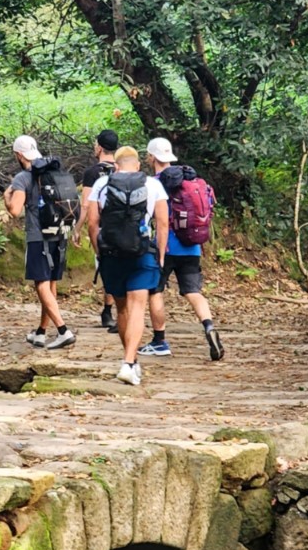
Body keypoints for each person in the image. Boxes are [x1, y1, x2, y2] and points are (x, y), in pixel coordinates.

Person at [140, 137, 225, 362]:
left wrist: (159, 251)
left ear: (151, 157)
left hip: (166, 248)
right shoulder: (192, 180)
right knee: (193, 292)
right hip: (192, 247)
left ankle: (159, 342)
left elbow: (160, 222)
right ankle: (208, 326)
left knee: (155, 291)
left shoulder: (154, 184)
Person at [85, 146, 163, 386]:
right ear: (138, 166)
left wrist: (99, 253)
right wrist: (159, 256)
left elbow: (92, 223)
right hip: (142, 253)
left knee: (121, 309)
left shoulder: (101, 185)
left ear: (116, 166)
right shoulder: (153, 185)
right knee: (138, 307)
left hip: (111, 254)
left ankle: (130, 360)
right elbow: (163, 223)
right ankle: (129, 362)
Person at [4, 134, 75, 349]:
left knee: (41, 284)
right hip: (59, 233)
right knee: (50, 284)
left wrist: (6, 197)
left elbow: (15, 211)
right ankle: (41, 332)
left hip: (38, 237)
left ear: (18, 154)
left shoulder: (23, 178)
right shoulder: (53, 172)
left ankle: (63, 331)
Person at [80, 129, 121, 333]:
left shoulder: (92, 173)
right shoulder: (123, 170)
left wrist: (78, 228)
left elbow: (86, 205)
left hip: (102, 229)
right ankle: (113, 311)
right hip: (124, 228)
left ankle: (109, 312)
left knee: (107, 270)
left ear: (99, 147)